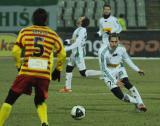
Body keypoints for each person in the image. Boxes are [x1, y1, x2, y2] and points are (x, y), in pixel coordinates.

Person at [0, 8, 66, 126]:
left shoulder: (25, 31)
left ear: (32, 19)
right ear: (46, 20)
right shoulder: (52, 34)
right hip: (44, 73)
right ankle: (44, 122)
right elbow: (62, 54)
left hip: (27, 71)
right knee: (39, 100)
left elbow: (15, 51)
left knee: (11, 98)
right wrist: (58, 69)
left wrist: (19, 66)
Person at [99, 33, 147, 112]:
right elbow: (104, 69)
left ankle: (141, 104)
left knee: (127, 82)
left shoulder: (122, 49)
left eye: (116, 41)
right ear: (109, 41)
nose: (114, 44)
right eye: (112, 41)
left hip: (119, 68)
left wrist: (137, 69)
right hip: (108, 72)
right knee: (120, 96)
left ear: (118, 41)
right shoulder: (102, 52)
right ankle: (136, 102)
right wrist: (115, 81)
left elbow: (127, 59)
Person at [59, 16, 101, 93]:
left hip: (78, 53)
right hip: (74, 52)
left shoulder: (82, 30)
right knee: (69, 68)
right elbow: (73, 40)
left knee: (83, 73)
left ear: (82, 22)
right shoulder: (78, 29)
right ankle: (68, 88)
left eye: (80, 18)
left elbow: (77, 43)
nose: (78, 19)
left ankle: (103, 72)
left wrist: (65, 49)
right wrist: (67, 41)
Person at [95, 4, 122, 79]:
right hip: (104, 41)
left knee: (114, 58)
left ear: (110, 10)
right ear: (103, 10)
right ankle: (104, 73)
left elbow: (120, 28)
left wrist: (111, 32)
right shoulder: (101, 20)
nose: (106, 11)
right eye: (105, 9)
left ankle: (117, 73)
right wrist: (98, 33)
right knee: (101, 55)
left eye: (108, 9)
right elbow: (101, 30)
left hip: (113, 41)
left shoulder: (114, 19)